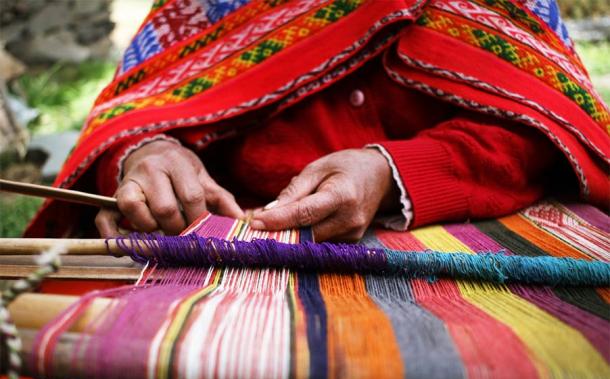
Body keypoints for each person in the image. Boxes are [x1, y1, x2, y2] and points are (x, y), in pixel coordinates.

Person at [26, 0, 609, 241]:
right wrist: (146, 155)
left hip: (459, 251)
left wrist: (392, 172)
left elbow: (551, 127)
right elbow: (135, 108)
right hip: (232, 259)